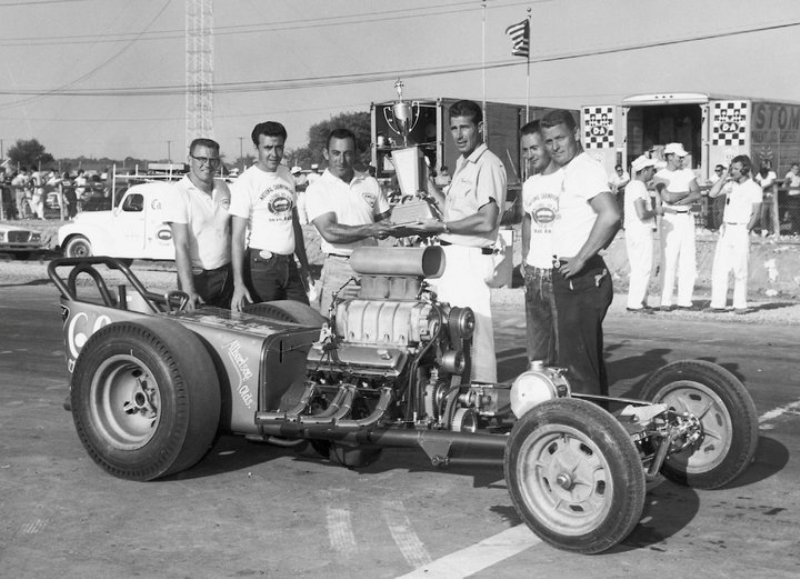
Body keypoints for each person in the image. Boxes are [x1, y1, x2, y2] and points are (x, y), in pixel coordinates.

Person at [403, 100, 507, 383]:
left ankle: (483, 398)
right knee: (449, 332)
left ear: (480, 128)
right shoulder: (463, 164)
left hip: (470, 259)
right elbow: (456, 210)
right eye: (453, 128)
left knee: (475, 333)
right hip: (451, 258)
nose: (459, 135)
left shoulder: (487, 164)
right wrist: (430, 189)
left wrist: (444, 225)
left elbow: (486, 219)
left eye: (465, 127)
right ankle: (455, 399)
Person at [539, 109, 620, 396]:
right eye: (548, 141)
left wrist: (580, 258)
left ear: (576, 133)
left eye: (560, 138)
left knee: (578, 369)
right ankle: (597, 428)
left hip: (581, 278)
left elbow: (610, 215)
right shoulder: (569, 171)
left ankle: (590, 433)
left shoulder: (585, 168)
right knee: (584, 364)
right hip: (573, 277)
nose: (555, 146)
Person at [304, 127, 393, 315]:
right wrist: (370, 229)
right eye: (336, 153)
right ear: (326, 154)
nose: (341, 160)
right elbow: (330, 232)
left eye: (347, 154)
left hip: (372, 267)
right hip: (339, 268)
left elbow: (388, 224)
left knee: (374, 323)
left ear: (355, 155)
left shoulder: (369, 182)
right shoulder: (318, 189)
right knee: (334, 330)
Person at [229, 121, 311, 311]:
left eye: (279, 147)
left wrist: (305, 266)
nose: (274, 154)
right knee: (264, 324)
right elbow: (237, 238)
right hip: (260, 267)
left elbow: (295, 224)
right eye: (267, 148)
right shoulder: (246, 182)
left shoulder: (287, 175)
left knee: (303, 319)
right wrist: (238, 284)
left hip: (289, 264)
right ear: (256, 148)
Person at [162, 138, 233, 311]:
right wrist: (188, 290)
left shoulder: (223, 187)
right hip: (199, 278)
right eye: (201, 159)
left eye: (213, 160)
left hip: (226, 275)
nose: (207, 165)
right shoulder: (178, 193)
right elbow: (181, 245)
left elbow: (230, 231)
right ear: (189, 159)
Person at [519, 120, 559, 365]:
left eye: (533, 148)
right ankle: (538, 396)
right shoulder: (530, 184)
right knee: (537, 349)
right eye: (525, 150)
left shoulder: (567, 178)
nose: (528, 155)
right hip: (534, 274)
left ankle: (566, 401)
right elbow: (526, 220)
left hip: (559, 273)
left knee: (564, 346)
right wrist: (525, 257)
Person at [708, 156, 762, 312]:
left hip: (740, 228)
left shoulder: (754, 188)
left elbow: (756, 213)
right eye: (732, 168)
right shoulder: (730, 185)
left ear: (745, 170)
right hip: (726, 229)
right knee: (720, 268)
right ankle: (717, 304)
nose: (733, 171)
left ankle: (740, 304)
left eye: (736, 169)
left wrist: (746, 229)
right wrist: (724, 177)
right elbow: (712, 193)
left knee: (740, 268)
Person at [653, 142, 701, 310]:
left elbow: (697, 193)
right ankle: (665, 300)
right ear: (670, 156)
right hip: (670, 218)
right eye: (679, 156)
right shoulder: (660, 175)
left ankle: (684, 300)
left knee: (688, 260)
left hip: (686, 217)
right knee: (669, 259)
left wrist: (680, 199)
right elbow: (667, 197)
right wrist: (686, 194)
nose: (682, 159)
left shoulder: (688, 172)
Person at [624, 155, 661, 311]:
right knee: (643, 267)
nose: (654, 172)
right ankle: (636, 303)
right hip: (640, 229)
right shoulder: (638, 186)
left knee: (638, 266)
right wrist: (656, 211)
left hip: (633, 229)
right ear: (644, 170)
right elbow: (642, 213)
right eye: (652, 169)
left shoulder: (632, 185)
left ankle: (639, 300)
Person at [754, 161, 778, 237]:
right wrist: (760, 186)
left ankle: (772, 231)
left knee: (772, 215)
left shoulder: (772, 174)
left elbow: (772, 182)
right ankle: (764, 230)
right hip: (763, 197)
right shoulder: (759, 174)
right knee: (763, 215)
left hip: (771, 197)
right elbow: (756, 181)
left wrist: (764, 186)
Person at [706, 164, 726, 230]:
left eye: (718, 170)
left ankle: (720, 227)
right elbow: (709, 182)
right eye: (716, 170)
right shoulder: (714, 176)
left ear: (722, 171)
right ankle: (716, 227)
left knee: (720, 213)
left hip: (722, 195)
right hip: (715, 196)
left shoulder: (725, 177)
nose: (717, 172)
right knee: (714, 212)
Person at [784, 162, 800, 234]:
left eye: (797, 169)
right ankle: (795, 230)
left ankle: (795, 230)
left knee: (795, 214)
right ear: (791, 169)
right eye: (794, 169)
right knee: (794, 214)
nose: (796, 170)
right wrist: (787, 182)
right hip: (792, 196)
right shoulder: (790, 174)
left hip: (797, 196)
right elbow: (786, 181)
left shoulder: (798, 176)